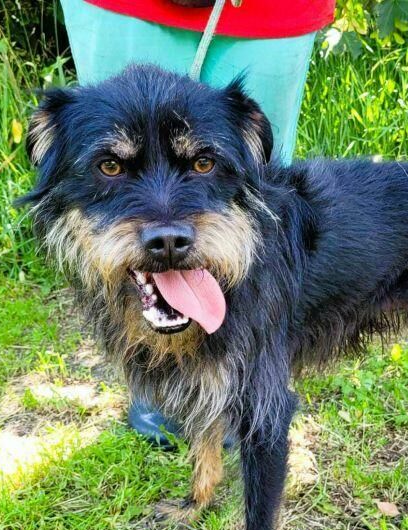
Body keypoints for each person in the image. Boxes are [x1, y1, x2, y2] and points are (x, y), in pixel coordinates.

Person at [60, 0, 335, 447]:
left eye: (202, 163)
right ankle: (161, 383)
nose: (166, 226)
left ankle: (243, 376)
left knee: (257, 213)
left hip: (272, 11)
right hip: (125, 6)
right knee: (114, 117)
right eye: (111, 167)